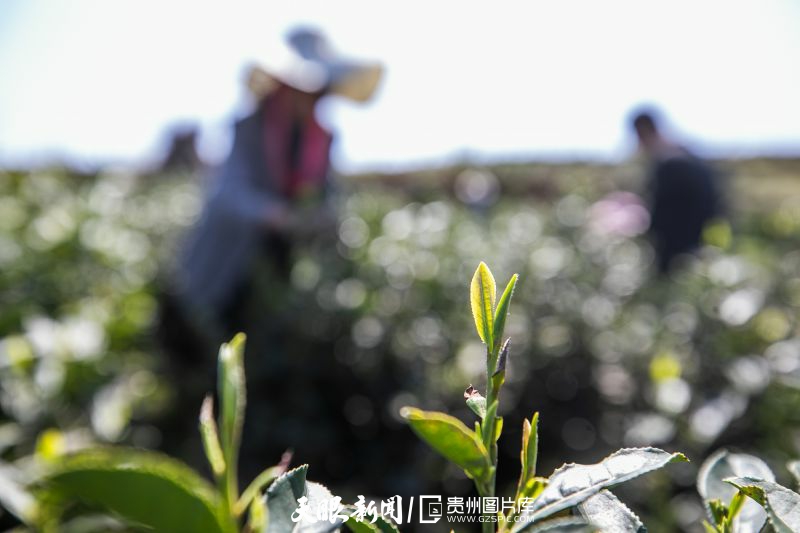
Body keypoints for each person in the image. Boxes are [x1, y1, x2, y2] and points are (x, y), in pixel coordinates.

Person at [631, 108, 723, 273]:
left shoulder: (671, 164)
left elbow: (665, 214)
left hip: (678, 248)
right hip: (698, 243)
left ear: (642, 131)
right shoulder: (686, 154)